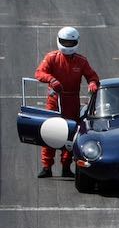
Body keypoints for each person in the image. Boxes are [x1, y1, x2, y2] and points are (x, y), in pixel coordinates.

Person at [33, 27, 100, 179]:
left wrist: (93, 83)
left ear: (76, 42)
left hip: (72, 101)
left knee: (70, 135)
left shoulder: (81, 61)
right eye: (65, 42)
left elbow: (92, 76)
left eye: (70, 42)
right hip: (54, 101)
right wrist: (51, 79)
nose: (68, 45)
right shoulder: (52, 57)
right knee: (49, 133)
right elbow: (39, 73)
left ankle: (66, 166)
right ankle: (46, 167)